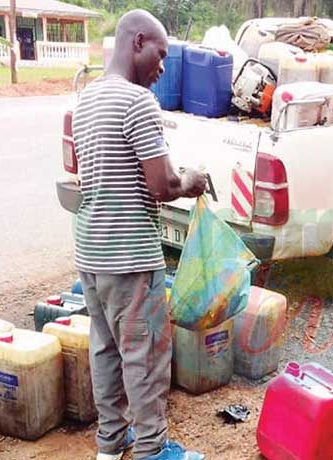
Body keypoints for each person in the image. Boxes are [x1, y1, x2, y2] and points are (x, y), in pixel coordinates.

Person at [71, 9, 207, 460]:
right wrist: (194, 178)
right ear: (138, 42)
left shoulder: (87, 98)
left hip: (90, 251)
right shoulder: (137, 102)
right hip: (129, 256)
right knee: (145, 356)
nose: (163, 67)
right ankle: (152, 450)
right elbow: (163, 185)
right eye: (161, 54)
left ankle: (111, 444)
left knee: (106, 350)